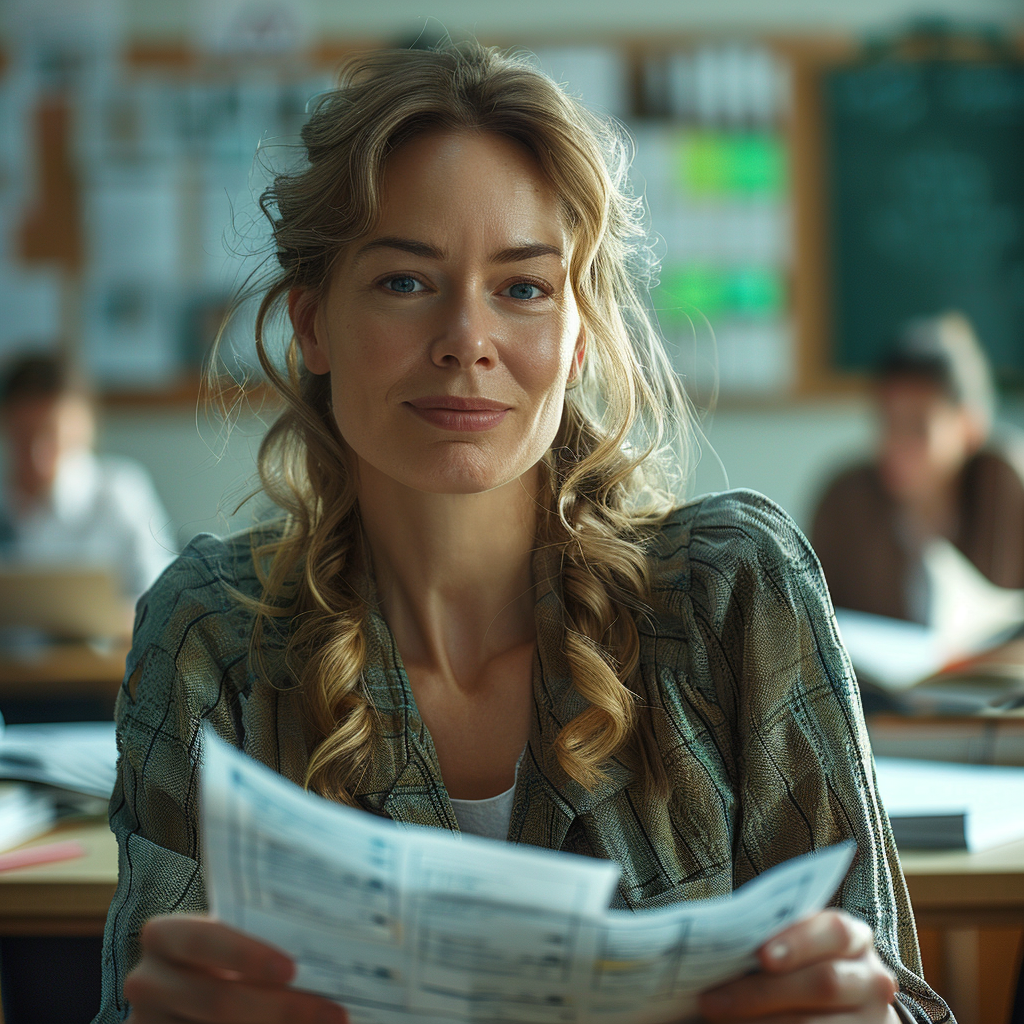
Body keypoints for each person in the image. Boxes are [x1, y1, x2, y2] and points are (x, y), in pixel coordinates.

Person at [96, 43, 950, 1024]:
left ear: (578, 335)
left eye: (524, 287)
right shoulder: (212, 638)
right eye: (405, 282)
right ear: (311, 323)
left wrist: (864, 1016)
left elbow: (905, 1001)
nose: (468, 337)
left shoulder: (733, 598)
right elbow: (138, 1000)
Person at [812, 313, 1024, 625]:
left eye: (916, 427)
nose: (894, 443)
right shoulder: (845, 502)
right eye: (887, 422)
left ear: (969, 428)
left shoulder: (1006, 489)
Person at [0, 354, 176, 617]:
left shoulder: (120, 491)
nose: (37, 456)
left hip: (102, 656)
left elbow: (162, 599)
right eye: (23, 436)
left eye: (51, 434)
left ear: (83, 427)